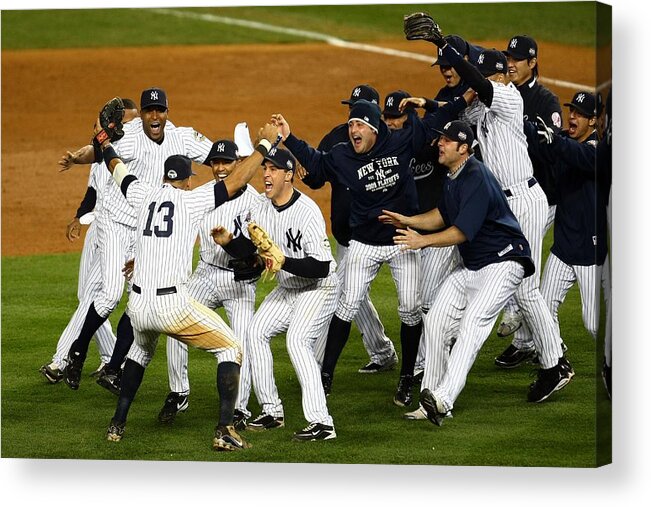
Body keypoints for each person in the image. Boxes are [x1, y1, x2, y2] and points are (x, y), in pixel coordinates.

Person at [95, 118, 280, 450]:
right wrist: (264, 146)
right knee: (231, 348)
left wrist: (103, 142)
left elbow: (118, 169)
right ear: (184, 180)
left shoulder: (141, 193)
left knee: (139, 351)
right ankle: (225, 429)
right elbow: (236, 181)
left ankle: (116, 424)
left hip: (137, 306)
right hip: (172, 307)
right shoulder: (190, 201)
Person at [276, 97, 467, 407]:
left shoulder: (401, 142)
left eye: (359, 124)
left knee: (409, 308)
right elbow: (314, 163)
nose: (353, 129)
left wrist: (427, 106)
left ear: (374, 128)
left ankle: (407, 376)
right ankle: (325, 376)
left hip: (400, 239)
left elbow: (438, 123)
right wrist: (289, 137)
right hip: (363, 242)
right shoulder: (342, 155)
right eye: (351, 124)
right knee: (346, 305)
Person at [380, 120, 573, 426]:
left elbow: (460, 232)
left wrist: (421, 241)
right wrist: (409, 220)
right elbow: (442, 214)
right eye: (440, 138)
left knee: (472, 325)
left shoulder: (476, 176)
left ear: (464, 149)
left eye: (446, 140)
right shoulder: (452, 175)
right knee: (437, 321)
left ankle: (443, 400)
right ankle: (429, 397)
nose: (439, 144)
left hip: (503, 263)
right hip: (472, 266)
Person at [408, 31, 570, 388]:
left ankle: (555, 362)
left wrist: (446, 46)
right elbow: (459, 112)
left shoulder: (509, 98)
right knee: (502, 281)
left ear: (493, 77)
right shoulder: (486, 103)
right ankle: (552, 360)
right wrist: (427, 103)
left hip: (524, 200)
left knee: (526, 290)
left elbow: (478, 85)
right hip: (501, 205)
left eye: (483, 75)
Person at [63, 88, 214, 391]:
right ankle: (76, 353)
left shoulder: (180, 136)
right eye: (149, 111)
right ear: (142, 114)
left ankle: (112, 368)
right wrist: (79, 157)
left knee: (139, 304)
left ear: (167, 112)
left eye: (160, 110)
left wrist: (259, 158)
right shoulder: (130, 135)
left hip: (143, 229)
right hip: (115, 222)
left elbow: (219, 157)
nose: (155, 116)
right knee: (109, 295)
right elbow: (100, 151)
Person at [215, 147, 339, 441]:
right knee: (256, 332)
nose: (266, 175)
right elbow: (249, 250)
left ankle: (323, 423)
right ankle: (272, 411)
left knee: (298, 340)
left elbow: (321, 266)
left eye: (273, 170)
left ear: (288, 175)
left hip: (319, 287)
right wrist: (229, 242)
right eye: (264, 169)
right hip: (289, 287)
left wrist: (285, 261)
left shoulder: (307, 211)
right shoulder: (260, 206)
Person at [156, 140, 262, 428]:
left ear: (237, 164)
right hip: (204, 274)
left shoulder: (254, 201)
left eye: (225, 162)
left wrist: (234, 246)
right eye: (215, 163)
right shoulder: (204, 196)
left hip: (237, 281)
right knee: (173, 323)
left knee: (241, 340)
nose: (219, 168)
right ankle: (179, 392)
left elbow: (258, 253)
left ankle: (239, 409)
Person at [39, 99, 140, 384]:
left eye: (132, 121)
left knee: (97, 296)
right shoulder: (104, 151)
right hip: (99, 228)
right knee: (88, 297)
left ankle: (61, 360)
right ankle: (109, 357)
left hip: (120, 231)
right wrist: (78, 217)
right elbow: (93, 192)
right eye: (124, 121)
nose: (127, 126)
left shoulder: (132, 151)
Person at [300, 84, 398, 375]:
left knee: (344, 294)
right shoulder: (336, 138)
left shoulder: (391, 143)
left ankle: (316, 365)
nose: (351, 117)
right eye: (350, 110)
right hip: (349, 236)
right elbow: (318, 176)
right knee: (353, 294)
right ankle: (382, 352)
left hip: (388, 235)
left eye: (358, 110)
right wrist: (309, 175)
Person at [381, 89, 460, 419]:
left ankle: (433, 373)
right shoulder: (387, 145)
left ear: (410, 117)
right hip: (414, 235)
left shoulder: (429, 139)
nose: (393, 124)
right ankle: (429, 370)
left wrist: (426, 104)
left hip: (442, 233)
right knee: (423, 305)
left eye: (398, 118)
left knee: (429, 304)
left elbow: (454, 107)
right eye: (387, 119)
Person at [495, 34, 565, 362]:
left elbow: (551, 149)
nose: (511, 63)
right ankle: (525, 343)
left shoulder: (545, 101)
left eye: (518, 59)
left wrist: (523, 129)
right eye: (508, 57)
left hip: (543, 197)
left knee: (521, 266)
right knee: (511, 258)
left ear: (532, 62)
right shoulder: (501, 94)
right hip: (510, 194)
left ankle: (551, 347)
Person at [532, 91, 609, 358]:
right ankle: (557, 357)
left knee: (594, 324)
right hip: (563, 246)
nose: (573, 116)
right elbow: (546, 146)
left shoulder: (600, 151)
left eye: (580, 114)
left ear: (594, 121)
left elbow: (579, 156)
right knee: (542, 307)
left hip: (590, 249)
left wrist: (556, 142)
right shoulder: (565, 139)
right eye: (571, 111)